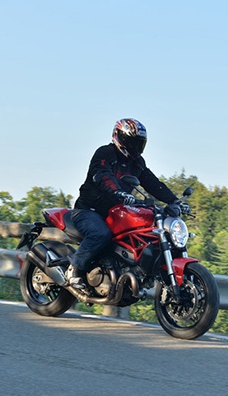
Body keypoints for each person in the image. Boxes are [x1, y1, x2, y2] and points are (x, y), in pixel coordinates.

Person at [65, 118, 187, 288]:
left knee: (146, 234)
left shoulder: (137, 163)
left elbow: (153, 183)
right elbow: (102, 175)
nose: (135, 147)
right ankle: (74, 270)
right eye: (132, 142)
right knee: (101, 234)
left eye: (139, 143)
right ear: (120, 137)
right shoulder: (105, 153)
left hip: (117, 211)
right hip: (90, 210)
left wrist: (174, 201)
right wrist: (117, 191)